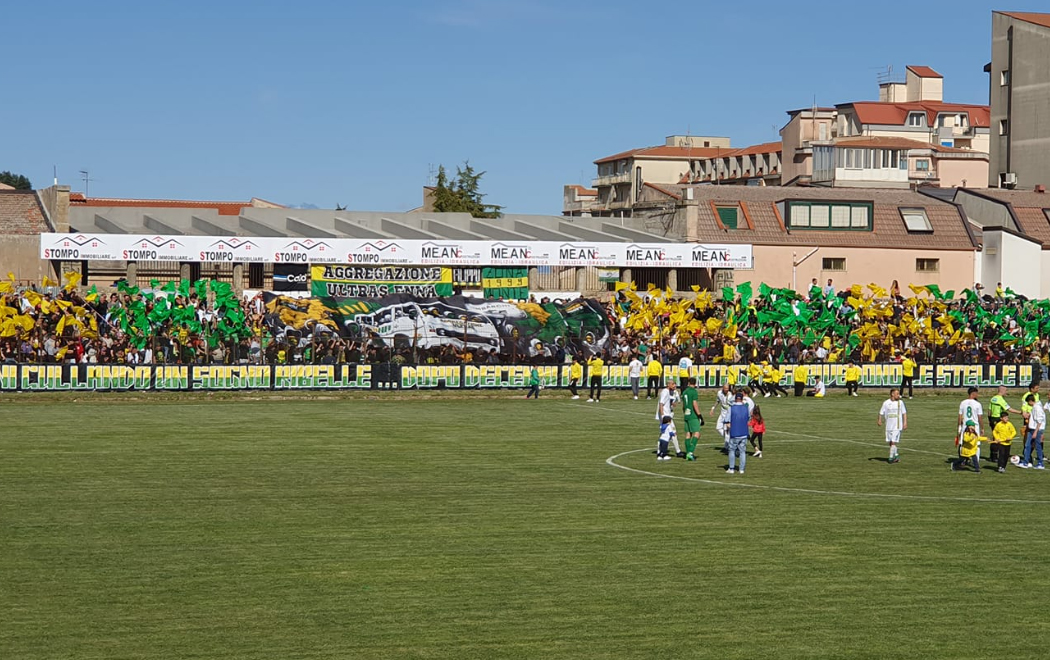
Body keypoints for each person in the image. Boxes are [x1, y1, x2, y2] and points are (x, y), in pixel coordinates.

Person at [878, 388, 907, 464]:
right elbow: (881, 412)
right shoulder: (886, 403)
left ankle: (891, 458)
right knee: (890, 443)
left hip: (897, 426)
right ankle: (896, 455)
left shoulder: (900, 403)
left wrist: (905, 423)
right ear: (892, 394)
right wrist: (879, 420)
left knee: (893, 442)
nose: (898, 395)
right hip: (888, 426)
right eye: (897, 394)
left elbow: (904, 413)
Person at [726, 391, 750, 474]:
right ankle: (741, 469)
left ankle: (731, 468)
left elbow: (726, 420)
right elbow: (748, 418)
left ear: (736, 399)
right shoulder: (746, 407)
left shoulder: (731, 408)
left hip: (735, 432)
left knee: (732, 450)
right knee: (742, 451)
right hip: (744, 432)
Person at [958, 387, 985, 461]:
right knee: (976, 444)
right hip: (974, 427)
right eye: (977, 393)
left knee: (963, 443)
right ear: (973, 394)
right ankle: (976, 461)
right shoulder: (977, 404)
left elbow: (960, 416)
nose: (978, 395)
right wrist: (982, 428)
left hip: (965, 427)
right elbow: (980, 418)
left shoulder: (963, 402)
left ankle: (962, 460)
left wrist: (959, 427)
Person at [1021, 393, 1045, 469]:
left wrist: (1035, 432)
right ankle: (1025, 462)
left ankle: (1040, 463)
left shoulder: (1037, 408)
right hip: (1031, 429)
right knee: (1027, 445)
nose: (1028, 404)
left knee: (1038, 447)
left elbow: (1039, 421)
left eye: (1028, 402)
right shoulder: (1034, 407)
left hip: (1036, 430)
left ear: (1031, 401)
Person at [681, 377, 703, 461]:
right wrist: (699, 415)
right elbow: (694, 404)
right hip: (693, 415)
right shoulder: (694, 392)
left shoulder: (685, 391)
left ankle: (687, 454)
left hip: (686, 414)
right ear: (695, 383)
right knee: (697, 433)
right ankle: (690, 452)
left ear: (688, 383)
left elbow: (683, 405)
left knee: (688, 434)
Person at [711, 382, 733, 454]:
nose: (726, 390)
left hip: (728, 415)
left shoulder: (730, 396)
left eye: (727, 389)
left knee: (726, 430)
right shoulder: (719, 393)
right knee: (718, 428)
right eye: (725, 388)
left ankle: (727, 447)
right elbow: (717, 401)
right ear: (722, 388)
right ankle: (728, 441)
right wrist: (713, 408)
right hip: (722, 414)